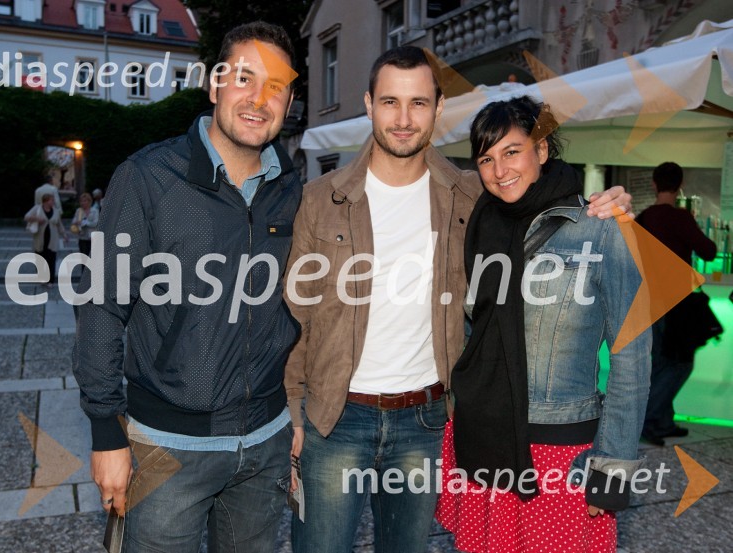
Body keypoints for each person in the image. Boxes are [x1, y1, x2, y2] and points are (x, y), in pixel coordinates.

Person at [284, 48, 632, 553]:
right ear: (368, 104)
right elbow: (298, 317)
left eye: (419, 103)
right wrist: (294, 414)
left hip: (427, 422)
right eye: (390, 102)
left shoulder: (471, 195)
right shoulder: (320, 198)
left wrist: (612, 205)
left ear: (438, 108)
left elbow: (539, 198)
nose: (404, 119)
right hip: (337, 418)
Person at [72, 22, 302, 553]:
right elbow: (102, 305)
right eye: (245, 78)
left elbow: (297, 312)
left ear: (290, 102)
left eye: (277, 87)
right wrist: (106, 432)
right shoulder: (150, 177)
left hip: (265, 441)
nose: (258, 99)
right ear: (215, 82)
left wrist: (298, 413)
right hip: (167, 446)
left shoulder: (292, 190)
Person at [435, 96, 651, 553]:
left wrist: (612, 467)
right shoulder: (479, 223)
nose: (499, 170)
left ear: (543, 149)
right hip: (481, 440)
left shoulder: (603, 228)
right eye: (487, 158)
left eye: (512, 151)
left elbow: (632, 353)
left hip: (559, 453)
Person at [638, 162, 717, 446]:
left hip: (649, 300)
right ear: (680, 185)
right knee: (680, 363)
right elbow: (709, 251)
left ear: (654, 184)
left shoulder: (644, 218)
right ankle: (649, 419)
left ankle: (663, 421)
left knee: (661, 361)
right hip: (677, 302)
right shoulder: (680, 218)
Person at [25, 193, 67, 288]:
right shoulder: (37, 208)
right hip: (40, 239)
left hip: (52, 240)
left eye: (53, 200)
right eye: (51, 200)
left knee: (51, 259)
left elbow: (59, 224)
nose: (53, 202)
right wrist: (37, 219)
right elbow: (26, 216)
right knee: (40, 259)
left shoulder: (56, 211)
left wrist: (64, 235)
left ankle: (51, 280)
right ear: (45, 201)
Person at [70, 192, 99, 256]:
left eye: (84, 201)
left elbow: (96, 223)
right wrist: (76, 222)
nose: (82, 203)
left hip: (92, 237)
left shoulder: (94, 211)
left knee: (92, 257)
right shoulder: (79, 211)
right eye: (81, 201)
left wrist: (86, 223)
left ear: (89, 201)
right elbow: (74, 221)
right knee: (83, 257)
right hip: (82, 237)